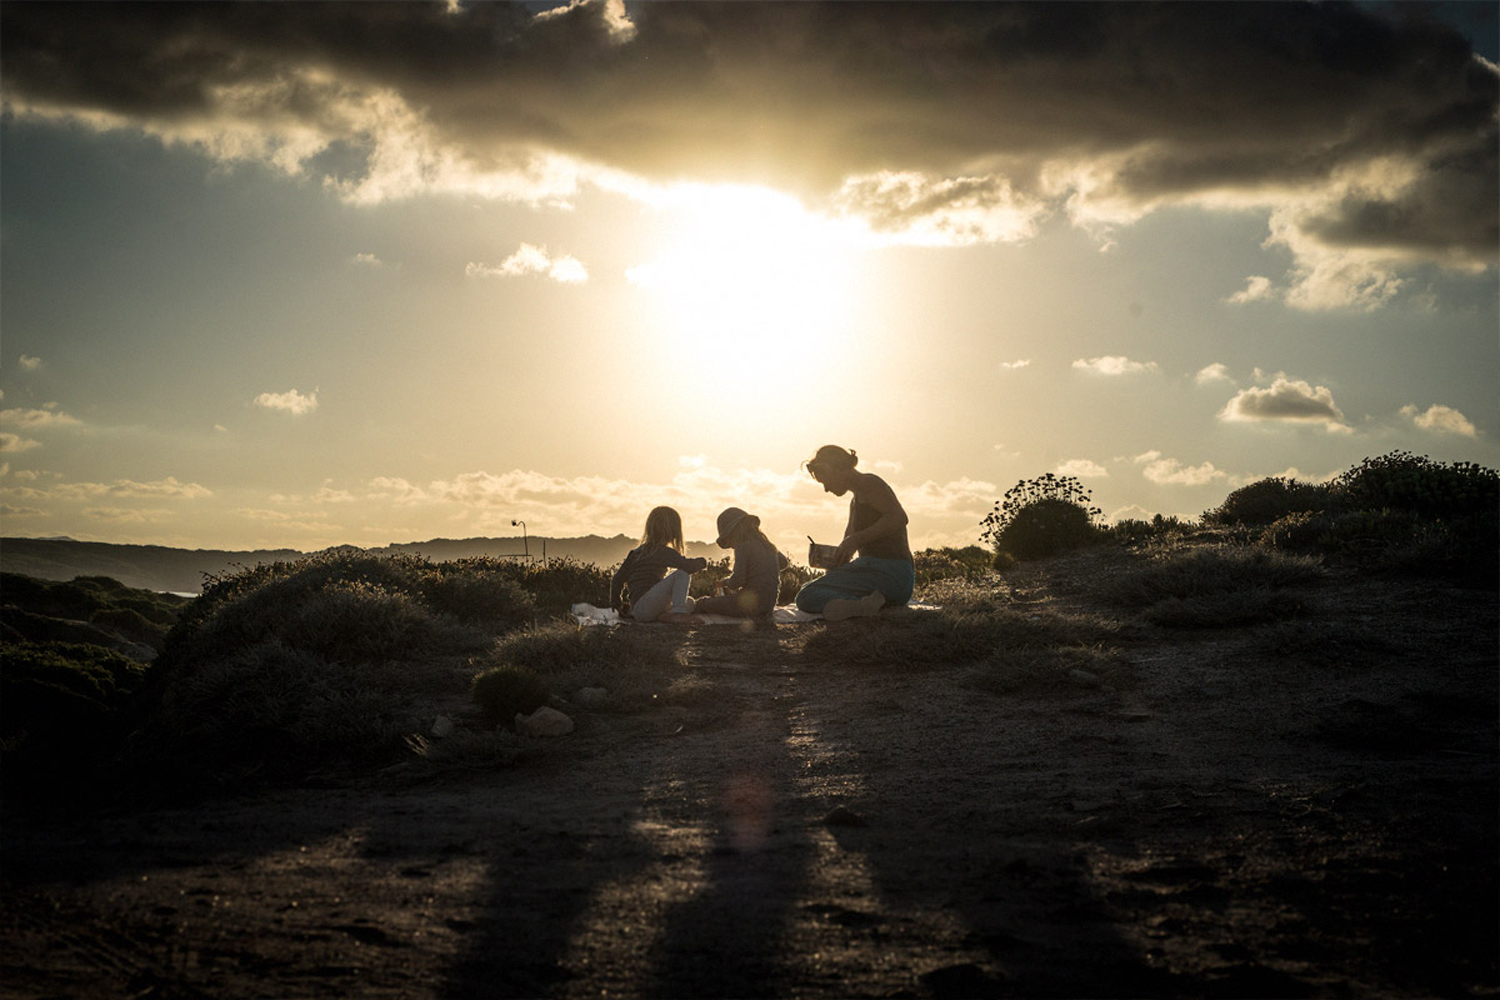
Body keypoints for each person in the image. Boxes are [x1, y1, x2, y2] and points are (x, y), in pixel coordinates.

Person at [795, 444, 914, 620]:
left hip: (891, 572)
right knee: (810, 588)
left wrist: (856, 540)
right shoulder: (855, 501)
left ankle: (858, 605)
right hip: (888, 585)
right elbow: (848, 544)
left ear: (831, 469)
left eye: (824, 481)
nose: (826, 489)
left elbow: (898, 517)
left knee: (807, 595)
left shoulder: (869, 483)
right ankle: (865, 604)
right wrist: (833, 563)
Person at [610, 506, 708, 622]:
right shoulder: (662, 552)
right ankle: (677, 614)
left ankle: (665, 616)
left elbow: (617, 579)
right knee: (682, 574)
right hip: (645, 608)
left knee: (690, 601)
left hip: (639, 609)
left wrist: (617, 603)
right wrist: (702, 562)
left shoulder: (636, 553)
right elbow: (687, 566)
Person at [691, 507, 788, 620]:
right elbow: (784, 563)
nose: (731, 545)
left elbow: (737, 581)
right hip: (768, 605)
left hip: (749, 606)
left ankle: (680, 610)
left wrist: (725, 582)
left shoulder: (743, 547)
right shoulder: (768, 545)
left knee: (704, 603)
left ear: (733, 533)